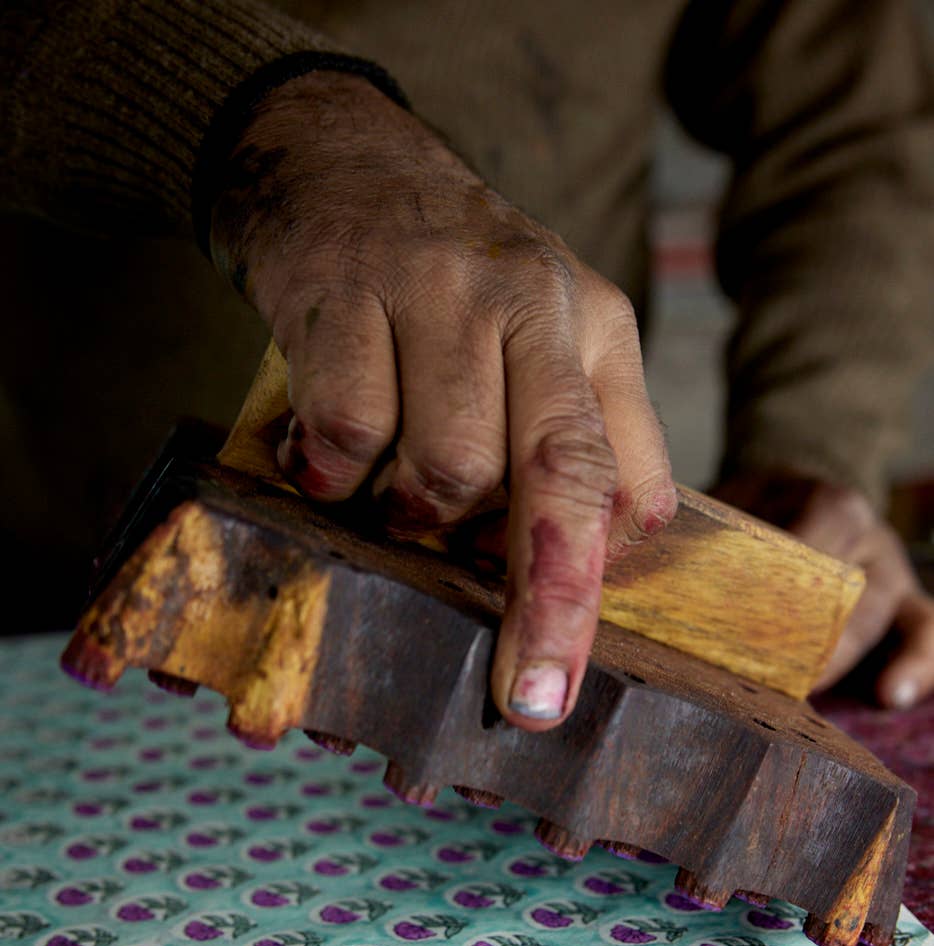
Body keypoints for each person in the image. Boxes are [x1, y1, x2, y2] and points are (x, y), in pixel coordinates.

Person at [2, 0, 933, 728]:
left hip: (491, 594)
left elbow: (848, 125)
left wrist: (814, 440)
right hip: (43, 567)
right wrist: (281, 132)